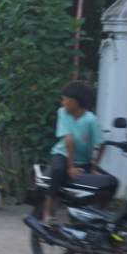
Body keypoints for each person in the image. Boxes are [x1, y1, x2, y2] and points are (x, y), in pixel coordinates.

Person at [43, 81, 108, 223]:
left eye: (64, 99)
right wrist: (70, 167)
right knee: (59, 170)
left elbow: (102, 144)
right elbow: (69, 140)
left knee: (107, 182)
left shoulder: (91, 120)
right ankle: (48, 209)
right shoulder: (63, 113)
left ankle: (92, 216)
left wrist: (94, 167)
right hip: (62, 154)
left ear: (74, 102)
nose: (62, 103)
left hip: (83, 161)